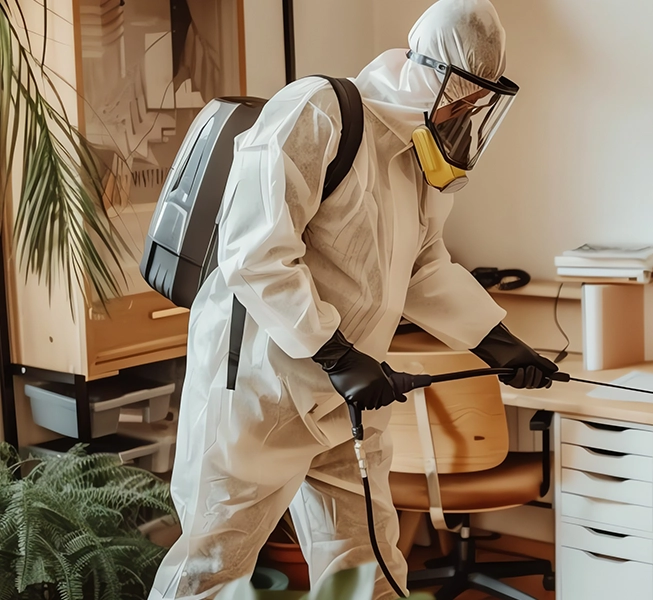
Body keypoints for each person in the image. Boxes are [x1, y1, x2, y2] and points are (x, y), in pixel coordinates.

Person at [149, 1, 557, 599]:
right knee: (212, 568)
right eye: (464, 94)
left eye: (478, 101)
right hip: (261, 392)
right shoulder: (319, 112)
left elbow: (423, 267)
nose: (467, 111)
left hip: (345, 403)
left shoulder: (419, 160)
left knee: (364, 567)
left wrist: (498, 344)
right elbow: (254, 255)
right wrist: (338, 355)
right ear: (432, 72)